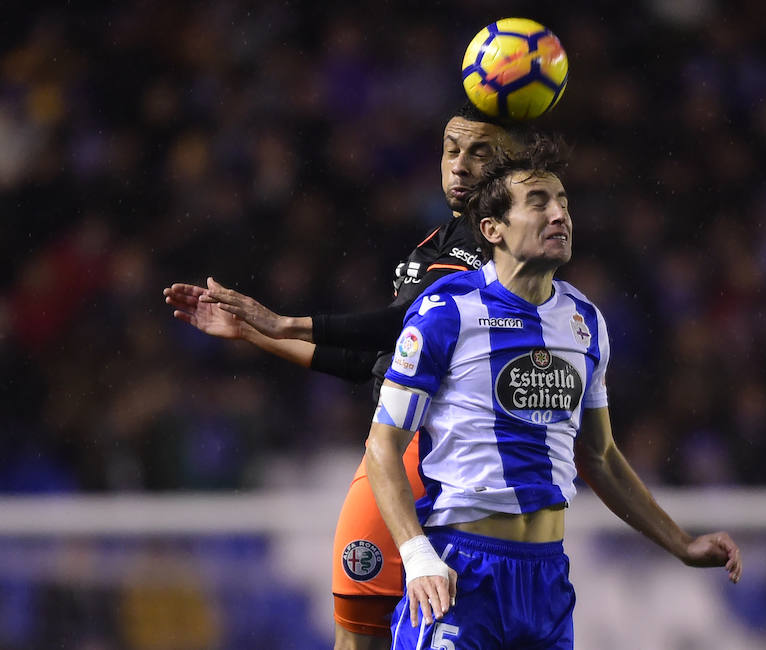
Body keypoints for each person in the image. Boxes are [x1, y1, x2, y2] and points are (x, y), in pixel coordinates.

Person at [163, 104, 524, 649]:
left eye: (480, 152)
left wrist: (287, 321)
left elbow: (400, 324)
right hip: (398, 458)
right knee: (358, 636)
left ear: (509, 167)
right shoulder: (430, 248)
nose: (460, 165)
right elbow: (379, 357)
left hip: (449, 459)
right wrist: (257, 335)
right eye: (452, 150)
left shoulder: (496, 251)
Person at [365, 134, 743, 649]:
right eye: (538, 202)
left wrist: (681, 543)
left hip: (546, 582)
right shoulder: (445, 311)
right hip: (461, 570)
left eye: (563, 201)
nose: (559, 214)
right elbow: (382, 446)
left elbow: (600, 455)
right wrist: (416, 555)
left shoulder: (584, 320)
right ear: (491, 229)